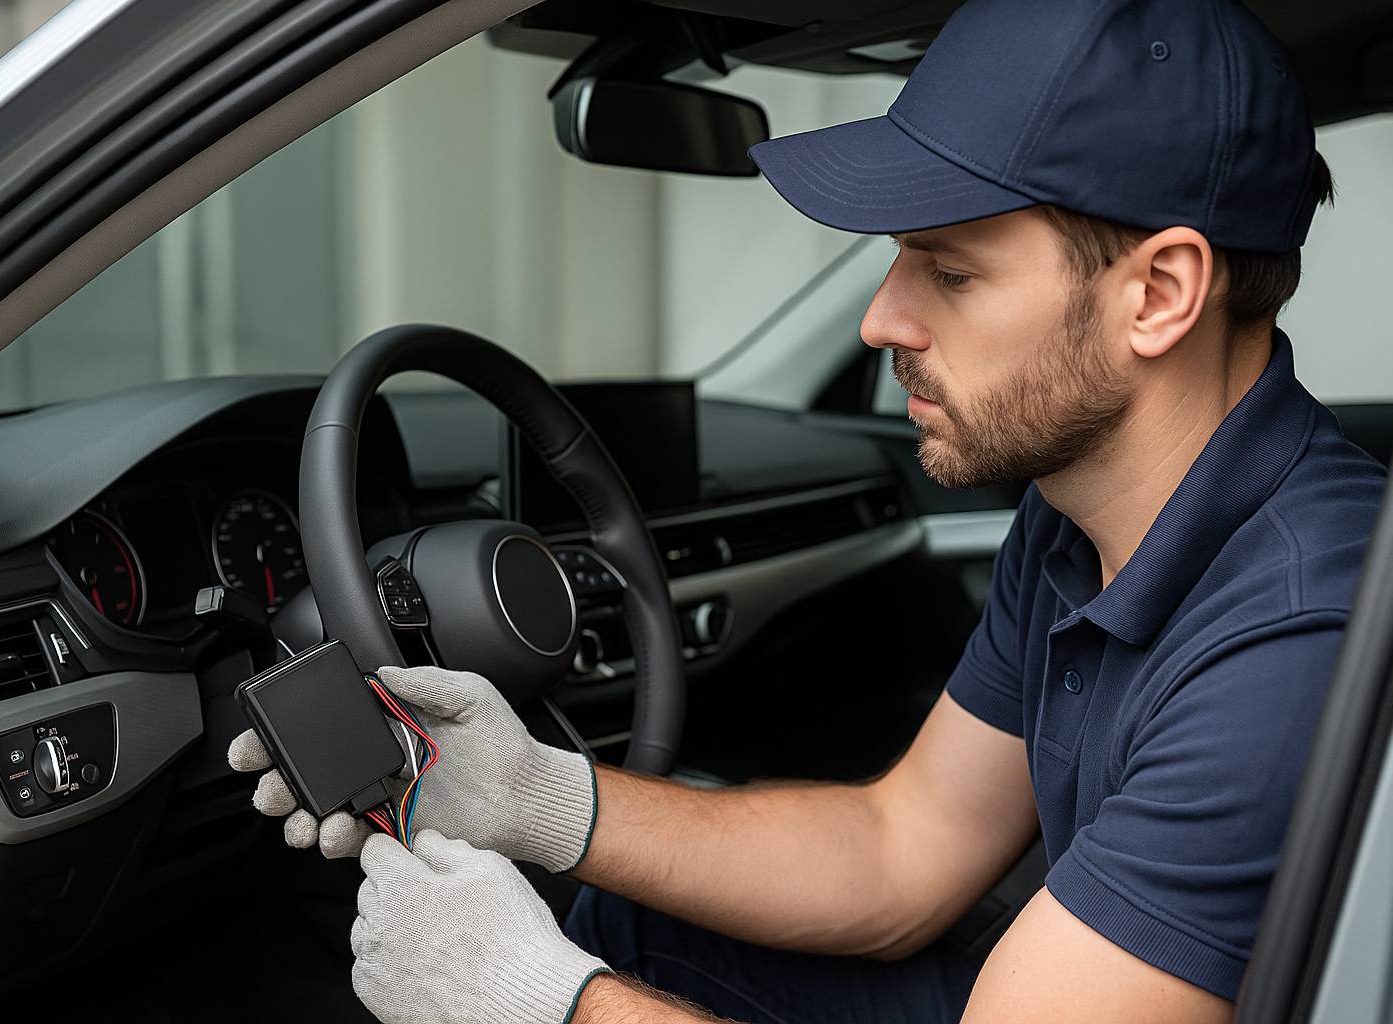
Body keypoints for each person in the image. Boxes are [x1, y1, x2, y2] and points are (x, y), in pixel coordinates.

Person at [229, 0, 1387, 1020]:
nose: (884, 317)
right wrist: (533, 794)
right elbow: (902, 851)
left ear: (1162, 293)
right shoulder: (1082, 507)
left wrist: (545, 1004)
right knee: (641, 937)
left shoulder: (1299, 646)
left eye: (950, 269)